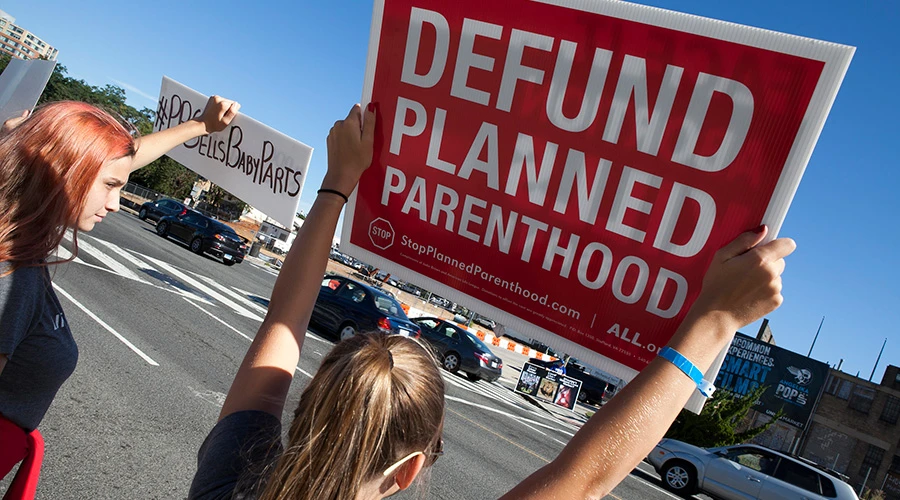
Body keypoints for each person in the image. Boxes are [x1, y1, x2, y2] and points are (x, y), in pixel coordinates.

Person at [188, 101, 796, 500]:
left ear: (304, 408)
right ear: (406, 475)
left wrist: (338, 180)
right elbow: (579, 481)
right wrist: (716, 319)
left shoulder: (229, 479)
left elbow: (282, 319)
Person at [0, 95, 240, 493]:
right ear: (63, 170)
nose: (115, 204)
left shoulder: (21, 240)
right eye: (110, 187)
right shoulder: (12, 274)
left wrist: (201, 126)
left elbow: (115, 159)